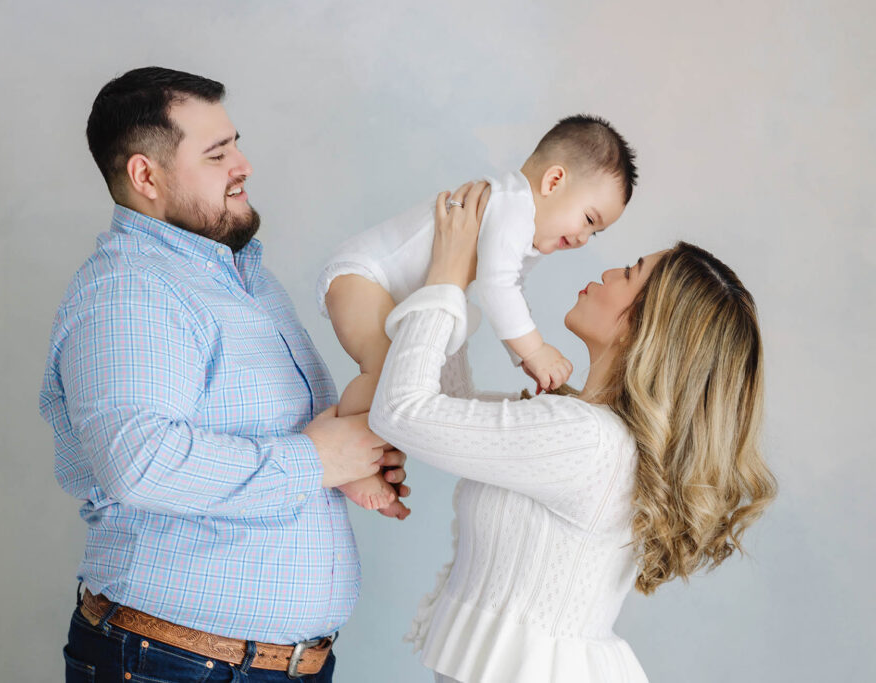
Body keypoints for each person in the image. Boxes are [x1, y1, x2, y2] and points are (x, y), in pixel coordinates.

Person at [38, 66, 409, 683]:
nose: (243, 165)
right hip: (178, 666)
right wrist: (315, 463)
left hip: (260, 665)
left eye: (235, 143)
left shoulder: (246, 279)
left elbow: (280, 440)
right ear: (145, 175)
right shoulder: (131, 291)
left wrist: (347, 465)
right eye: (217, 153)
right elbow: (141, 462)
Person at [367, 182, 777, 682]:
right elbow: (447, 410)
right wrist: (466, 272)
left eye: (628, 274)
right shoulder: (586, 426)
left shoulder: (586, 440)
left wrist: (446, 279)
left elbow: (402, 412)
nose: (606, 271)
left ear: (643, 327)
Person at [317, 116, 637, 510]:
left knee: (408, 378)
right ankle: (349, 463)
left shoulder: (522, 226)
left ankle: (371, 462)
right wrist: (534, 351)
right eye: (589, 220)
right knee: (384, 371)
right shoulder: (513, 206)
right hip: (364, 275)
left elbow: (510, 290)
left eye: (595, 233)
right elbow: (497, 287)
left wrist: (522, 356)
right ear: (553, 182)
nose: (584, 239)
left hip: (393, 293)